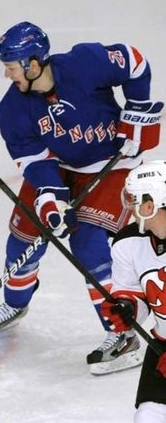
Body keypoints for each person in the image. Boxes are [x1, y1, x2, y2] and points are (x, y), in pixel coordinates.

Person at [0, 21, 162, 375]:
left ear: (33, 64)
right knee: (24, 235)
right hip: (59, 166)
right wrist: (51, 199)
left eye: (12, 66)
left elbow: (135, 62)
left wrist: (136, 113)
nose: (6, 74)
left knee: (89, 245)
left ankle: (123, 333)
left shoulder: (85, 62)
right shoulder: (12, 110)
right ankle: (15, 303)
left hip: (114, 164)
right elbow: (34, 160)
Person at [100, 161, 166, 422]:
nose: (132, 210)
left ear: (150, 205)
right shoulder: (128, 243)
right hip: (162, 345)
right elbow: (132, 290)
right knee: (148, 417)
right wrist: (127, 307)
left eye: (135, 201)